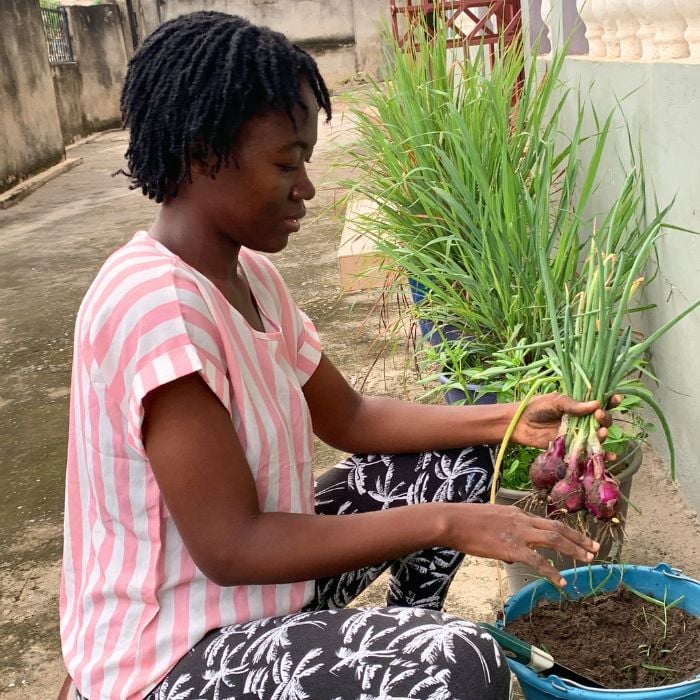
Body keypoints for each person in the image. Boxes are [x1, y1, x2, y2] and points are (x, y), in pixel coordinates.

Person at [59, 12, 617, 700]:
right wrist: (450, 523)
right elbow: (231, 548)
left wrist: (510, 420)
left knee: (462, 460)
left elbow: (349, 416)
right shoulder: (157, 307)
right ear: (202, 153)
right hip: (175, 652)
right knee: (462, 663)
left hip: (263, 598)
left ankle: (385, 651)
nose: (307, 189)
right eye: (286, 163)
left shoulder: (248, 277)